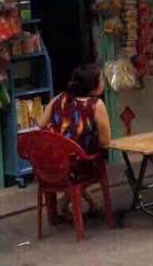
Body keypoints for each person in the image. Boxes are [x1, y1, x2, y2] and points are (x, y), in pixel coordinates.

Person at [39, 63, 111, 215]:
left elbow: (41, 124)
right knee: (90, 160)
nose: (104, 83)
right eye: (101, 80)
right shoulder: (96, 105)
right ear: (94, 85)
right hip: (76, 166)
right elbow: (105, 141)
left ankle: (76, 202)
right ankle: (69, 201)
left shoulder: (59, 99)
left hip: (51, 163)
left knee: (75, 157)